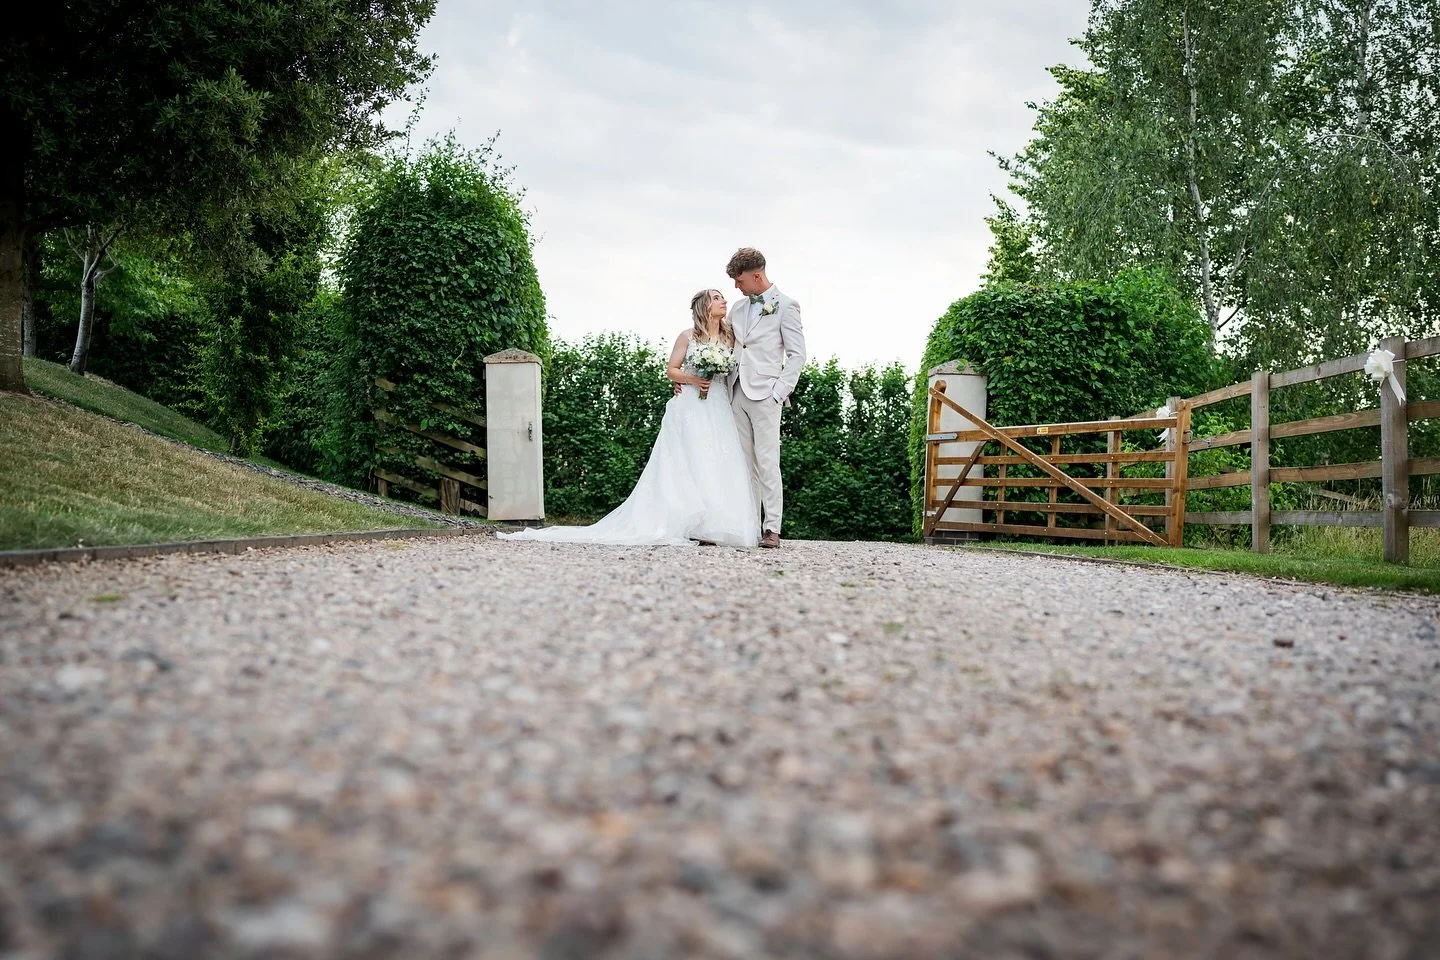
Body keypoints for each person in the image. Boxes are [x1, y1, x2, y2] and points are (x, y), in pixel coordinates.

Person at [498, 289, 759, 547]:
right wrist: (692, 379)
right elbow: (672, 370)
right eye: (716, 298)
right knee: (690, 462)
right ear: (704, 306)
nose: (723, 300)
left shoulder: (730, 337)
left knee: (716, 461)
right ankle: (691, 525)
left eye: (722, 297)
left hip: (719, 406)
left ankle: (716, 525)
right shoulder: (687, 337)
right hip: (691, 407)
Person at [721, 247, 805, 549]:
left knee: (768, 462)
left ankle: (772, 528)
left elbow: (797, 356)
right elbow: (724, 345)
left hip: (766, 395)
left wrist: (777, 394)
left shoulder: (786, 306)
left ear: (757, 275)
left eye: (739, 280)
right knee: (744, 465)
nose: (736, 287)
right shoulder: (738, 310)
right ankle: (747, 525)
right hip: (735, 391)